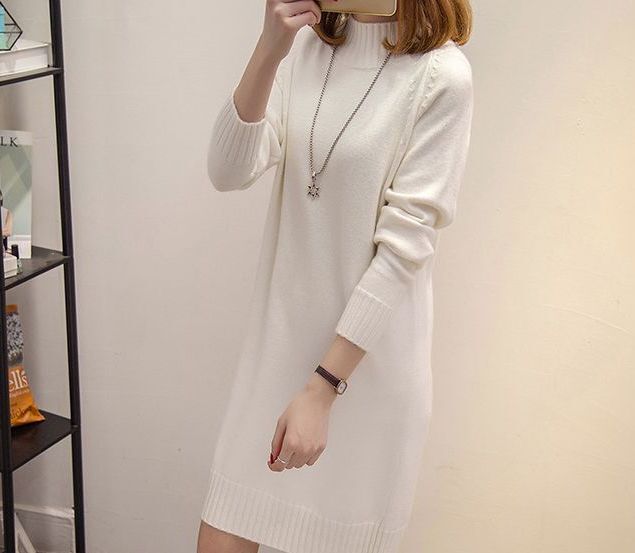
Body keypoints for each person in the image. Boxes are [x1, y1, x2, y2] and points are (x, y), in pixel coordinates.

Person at [197, 1, 474, 553]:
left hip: (361, 374)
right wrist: (269, 49)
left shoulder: (442, 77)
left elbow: (403, 252)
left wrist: (323, 388)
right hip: (278, 360)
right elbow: (228, 171)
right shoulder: (307, 50)